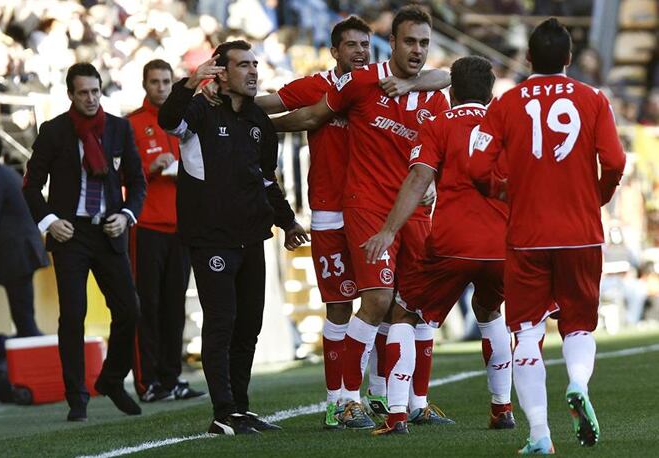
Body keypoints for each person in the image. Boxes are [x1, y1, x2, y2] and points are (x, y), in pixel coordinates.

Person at [223, 14, 449, 429]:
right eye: (351, 45)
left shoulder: (410, 86)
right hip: (333, 210)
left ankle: (381, 395)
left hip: (387, 209)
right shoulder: (327, 86)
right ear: (335, 51)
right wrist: (243, 124)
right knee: (343, 304)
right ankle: (338, 400)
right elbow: (290, 111)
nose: (360, 52)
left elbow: (448, 76)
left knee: (393, 303)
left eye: (365, 44)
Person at [469, 18, 626, 454]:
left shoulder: (504, 103)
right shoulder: (594, 99)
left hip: (527, 235)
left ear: (527, 58)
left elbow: (478, 168)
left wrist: (503, 190)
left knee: (526, 330)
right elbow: (614, 160)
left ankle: (540, 434)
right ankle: (577, 383)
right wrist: (598, 196)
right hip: (581, 232)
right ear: (570, 59)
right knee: (578, 325)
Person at [158, 40, 309, 436]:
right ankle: (222, 412)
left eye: (255, 64)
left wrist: (288, 222)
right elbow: (168, 121)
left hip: (252, 237)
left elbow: (265, 180)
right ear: (221, 73)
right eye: (244, 65)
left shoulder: (260, 122)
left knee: (248, 328)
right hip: (210, 239)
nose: (254, 71)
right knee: (222, 324)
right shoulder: (199, 110)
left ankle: (239, 409)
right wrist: (189, 83)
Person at [361, 56, 514, 435]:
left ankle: (397, 415)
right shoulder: (507, 126)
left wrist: (388, 230)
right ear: (491, 93)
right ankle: (502, 409)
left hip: (451, 244)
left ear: (451, 90)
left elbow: (417, 179)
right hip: (501, 246)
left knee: (405, 315)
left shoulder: (438, 123)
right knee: (490, 311)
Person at [23, 63, 146, 422]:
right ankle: (77, 396)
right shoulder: (54, 131)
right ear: (70, 95)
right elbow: (30, 185)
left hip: (109, 230)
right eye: (83, 93)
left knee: (129, 310)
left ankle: (110, 379)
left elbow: (137, 182)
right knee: (73, 315)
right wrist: (49, 221)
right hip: (70, 233)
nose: (91, 98)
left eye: (95, 91)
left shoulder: (119, 129)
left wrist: (125, 215)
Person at [127, 59, 204, 403]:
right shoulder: (131, 124)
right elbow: (118, 175)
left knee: (175, 307)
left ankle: (172, 378)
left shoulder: (183, 120)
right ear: (145, 85)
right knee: (148, 305)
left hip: (181, 226)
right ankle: (148, 382)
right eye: (155, 81)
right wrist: (149, 167)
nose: (160, 87)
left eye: (166, 81)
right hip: (146, 226)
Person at [0, 128, 48, 338]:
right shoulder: (4, 173)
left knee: (25, 324)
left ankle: (41, 362)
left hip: (16, 257)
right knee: (25, 320)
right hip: (17, 255)